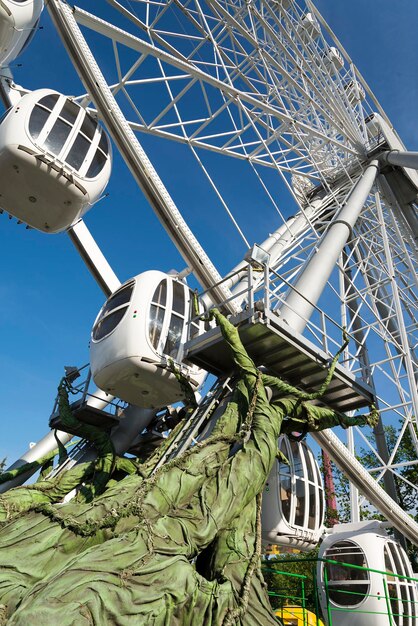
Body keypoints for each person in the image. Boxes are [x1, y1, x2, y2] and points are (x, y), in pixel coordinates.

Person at [0, 309, 377, 625]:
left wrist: (351, 420)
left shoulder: (269, 411)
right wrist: (349, 419)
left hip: (172, 507)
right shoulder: (268, 414)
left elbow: (276, 392)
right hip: (163, 510)